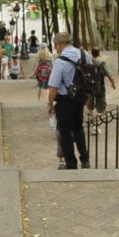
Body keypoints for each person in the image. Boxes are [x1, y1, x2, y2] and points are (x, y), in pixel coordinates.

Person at [47, 31, 91, 170]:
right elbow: (91, 77)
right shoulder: (85, 55)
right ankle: (85, 159)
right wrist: (87, 97)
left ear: (59, 44)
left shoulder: (60, 61)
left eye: (56, 46)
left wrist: (49, 104)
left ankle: (71, 163)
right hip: (81, 98)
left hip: (65, 99)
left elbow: (53, 86)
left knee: (65, 132)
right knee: (78, 128)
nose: (56, 49)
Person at [88, 48, 116, 121]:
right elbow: (110, 76)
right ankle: (98, 120)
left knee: (90, 104)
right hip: (100, 86)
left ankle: (91, 118)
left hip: (90, 87)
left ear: (92, 53)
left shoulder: (88, 62)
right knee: (101, 103)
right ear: (99, 53)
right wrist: (113, 84)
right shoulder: (102, 63)